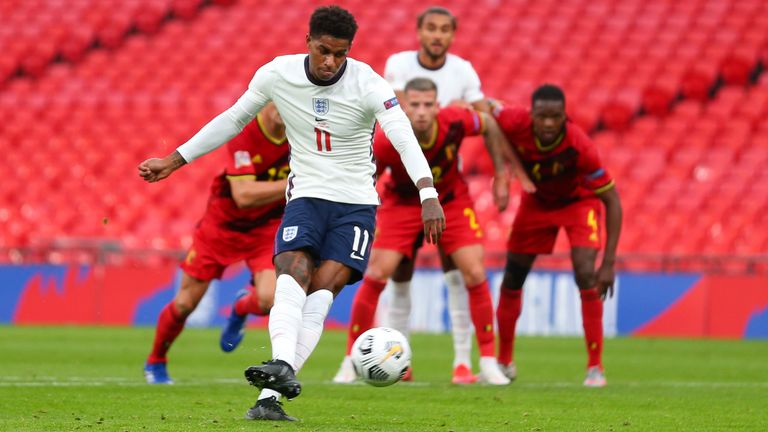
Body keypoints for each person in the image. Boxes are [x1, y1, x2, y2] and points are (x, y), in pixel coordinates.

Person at [138, 6, 444, 421]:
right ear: (308, 42)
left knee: (320, 293)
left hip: (356, 206)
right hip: (305, 198)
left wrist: (428, 192)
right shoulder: (277, 74)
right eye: (323, 51)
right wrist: (176, 159)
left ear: (349, 51)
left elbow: (404, 137)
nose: (330, 61)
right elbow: (233, 119)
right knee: (292, 276)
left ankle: (268, 400)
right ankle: (281, 366)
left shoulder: (369, 83)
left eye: (340, 53)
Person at [381, 6, 533, 384]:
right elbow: (398, 111)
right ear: (418, 31)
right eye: (430, 28)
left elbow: (487, 121)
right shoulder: (398, 64)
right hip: (403, 188)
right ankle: (396, 361)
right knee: (397, 272)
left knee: (460, 270)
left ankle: (465, 363)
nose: (437, 35)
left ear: (452, 35)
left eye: (444, 30)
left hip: (446, 186)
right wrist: (448, 110)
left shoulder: (462, 70)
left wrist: (502, 172)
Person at [333, 77, 513, 385]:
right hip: (402, 203)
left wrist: (501, 173)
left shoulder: (455, 121)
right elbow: (367, 173)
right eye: (414, 105)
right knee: (378, 271)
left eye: (428, 104)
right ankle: (351, 358)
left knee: (473, 271)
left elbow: (489, 124)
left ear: (438, 105)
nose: (421, 112)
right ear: (404, 107)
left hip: (451, 199)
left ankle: (486, 361)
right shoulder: (388, 140)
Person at [143, 102, 288, 385]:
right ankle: (156, 360)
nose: (286, 105)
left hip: (265, 228)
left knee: (270, 299)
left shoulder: (302, 132)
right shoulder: (246, 132)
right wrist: (296, 182)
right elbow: (244, 195)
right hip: (221, 226)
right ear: (267, 99)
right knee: (185, 304)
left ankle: (240, 310)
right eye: (279, 98)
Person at [493, 84, 622, 387]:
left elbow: (613, 201)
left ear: (566, 117)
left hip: (578, 202)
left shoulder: (580, 146)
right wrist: (502, 171)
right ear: (531, 115)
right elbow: (484, 111)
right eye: (542, 116)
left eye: (556, 117)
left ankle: (595, 367)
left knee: (585, 271)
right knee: (513, 277)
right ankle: (504, 362)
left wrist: (610, 262)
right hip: (536, 201)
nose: (549, 123)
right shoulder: (513, 120)